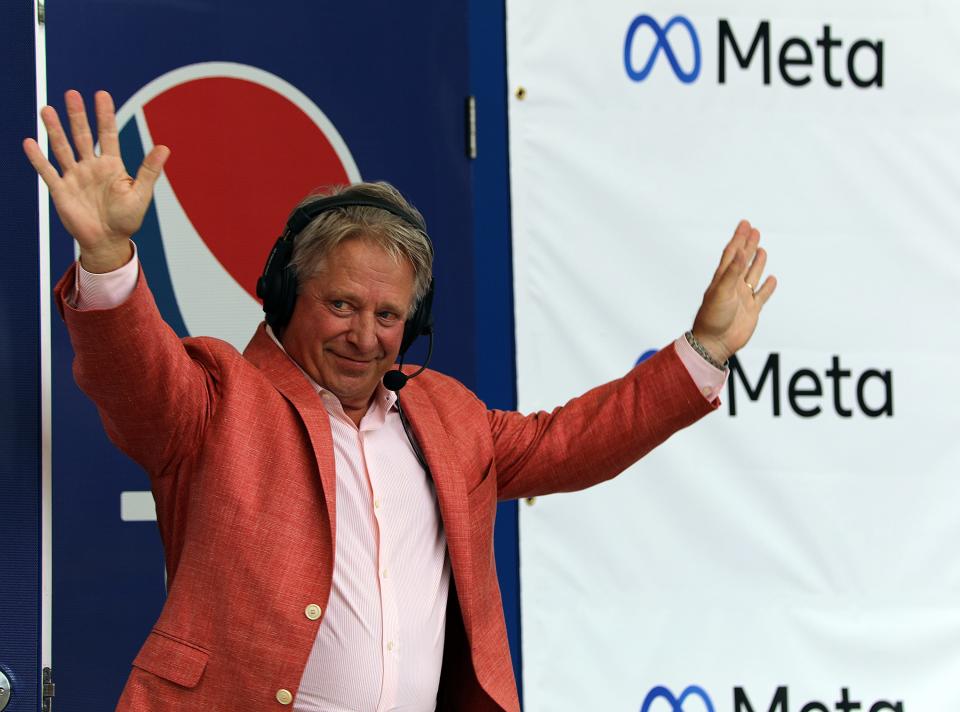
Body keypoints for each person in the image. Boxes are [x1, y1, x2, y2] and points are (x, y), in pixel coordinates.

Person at [23, 90, 775, 712]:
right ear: (287, 296)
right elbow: (136, 379)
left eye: (389, 317)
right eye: (343, 305)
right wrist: (107, 258)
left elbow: (573, 442)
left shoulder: (444, 413)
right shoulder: (222, 394)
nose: (366, 336)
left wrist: (703, 350)